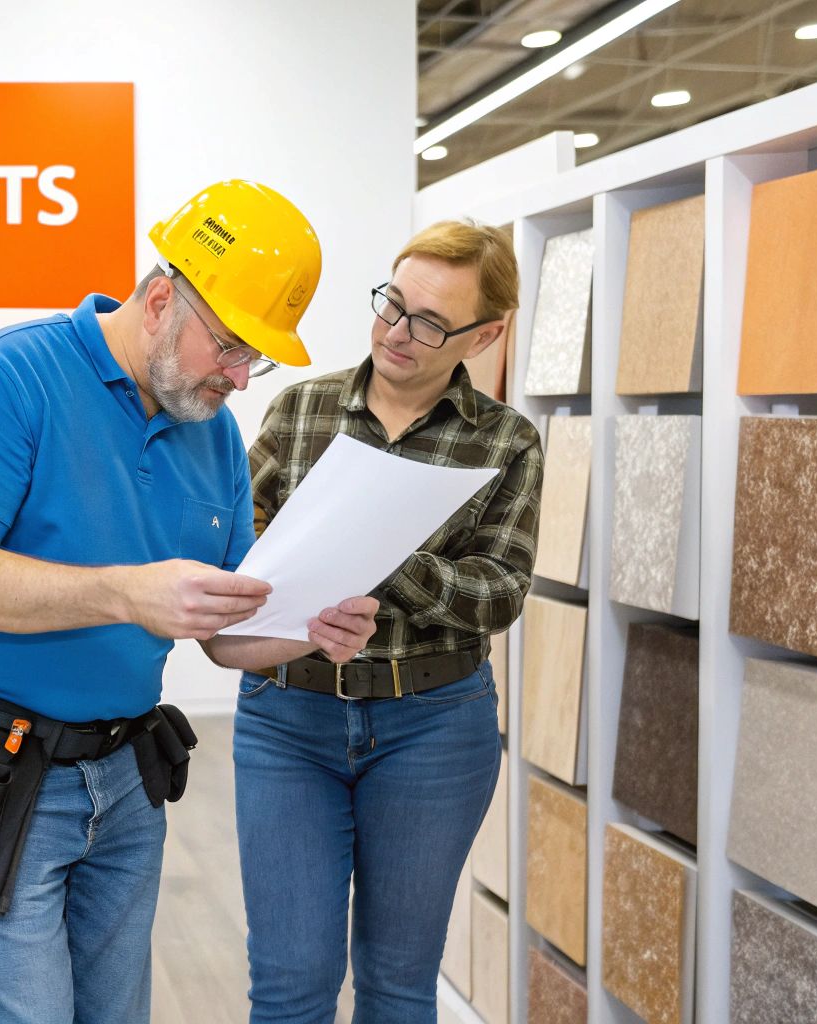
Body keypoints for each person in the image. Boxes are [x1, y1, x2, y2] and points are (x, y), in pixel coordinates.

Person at [0, 180, 379, 1023]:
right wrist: (129, 592)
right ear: (160, 301)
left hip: (125, 779)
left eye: (255, 358)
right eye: (230, 347)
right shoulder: (10, 374)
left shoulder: (215, 433)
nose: (241, 377)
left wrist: (311, 629)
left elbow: (225, 638)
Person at [234, 220, 543, 1023]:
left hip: (433, 728)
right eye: (393, 304)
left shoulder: (506, 441)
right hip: (287, 717)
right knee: (290, 983)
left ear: (486, 335)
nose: (398, 333)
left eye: (432, 323)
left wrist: (387, 559)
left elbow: (502, 592)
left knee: (399, 984)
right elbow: (238, 549)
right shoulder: (300, 409)